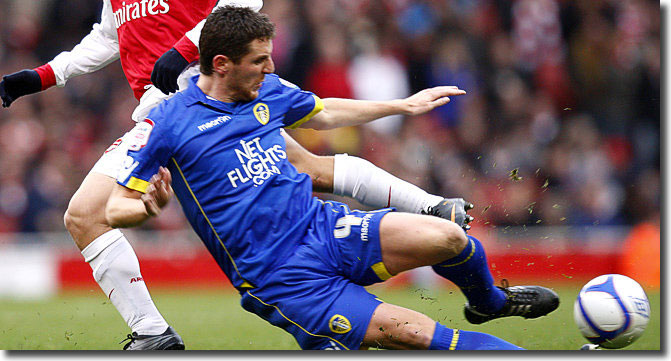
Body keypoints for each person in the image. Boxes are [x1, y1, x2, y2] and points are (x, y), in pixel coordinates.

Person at [0, 0, 474, 350]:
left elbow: (243, 6)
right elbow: (107, 39)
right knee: (310, 167)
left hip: (201, 99)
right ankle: (430, 208)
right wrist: (39, 77)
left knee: (84, 216)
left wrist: (185, 48)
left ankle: (152, 334)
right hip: (180, 109)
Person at [106, 6, 559, 350]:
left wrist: (402, 105)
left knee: (448, 238)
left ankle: (489, 304)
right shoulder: (168, 121)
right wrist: (146, 206)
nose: (271, 69)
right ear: (222, 64)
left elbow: (324, 111)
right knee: (421, 334)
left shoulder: (266, 91)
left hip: (323, 228)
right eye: (260, 60)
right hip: (280, 276)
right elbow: (114, 206)